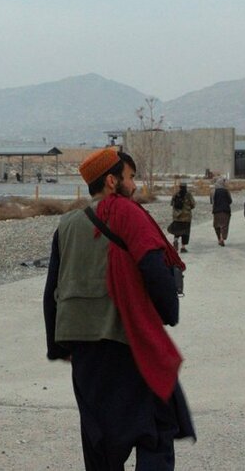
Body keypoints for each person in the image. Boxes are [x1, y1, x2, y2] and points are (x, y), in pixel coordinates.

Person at [43, 148, 195, 470]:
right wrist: (169, 313)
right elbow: (154, 269)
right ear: (112, 181)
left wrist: (58, 346)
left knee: (100, 437)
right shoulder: (130, 214)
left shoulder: (67, 224)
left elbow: (52, 290)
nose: (135, 185)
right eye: (130, 177)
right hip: (129, 341)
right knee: (155, 429)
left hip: (84, 347)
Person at [167, 182, 196, 253]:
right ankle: (183, 247)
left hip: (177, 217)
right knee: (185, 232)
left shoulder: (175, 194)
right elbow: (193, 204)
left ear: (179, 187)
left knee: (177, 230)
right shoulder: (188, 195)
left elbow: (171, 204)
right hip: (186, 217)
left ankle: (176, 240)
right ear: (186, 187)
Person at [210, 178, 232, 246]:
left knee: (217, 226)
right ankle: (222, 238)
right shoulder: (226, 191)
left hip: (216, 211)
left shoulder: (213, 191)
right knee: (224, 225)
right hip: (225, 210)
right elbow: (230, 201)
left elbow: (211, 201)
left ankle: (219, 239)